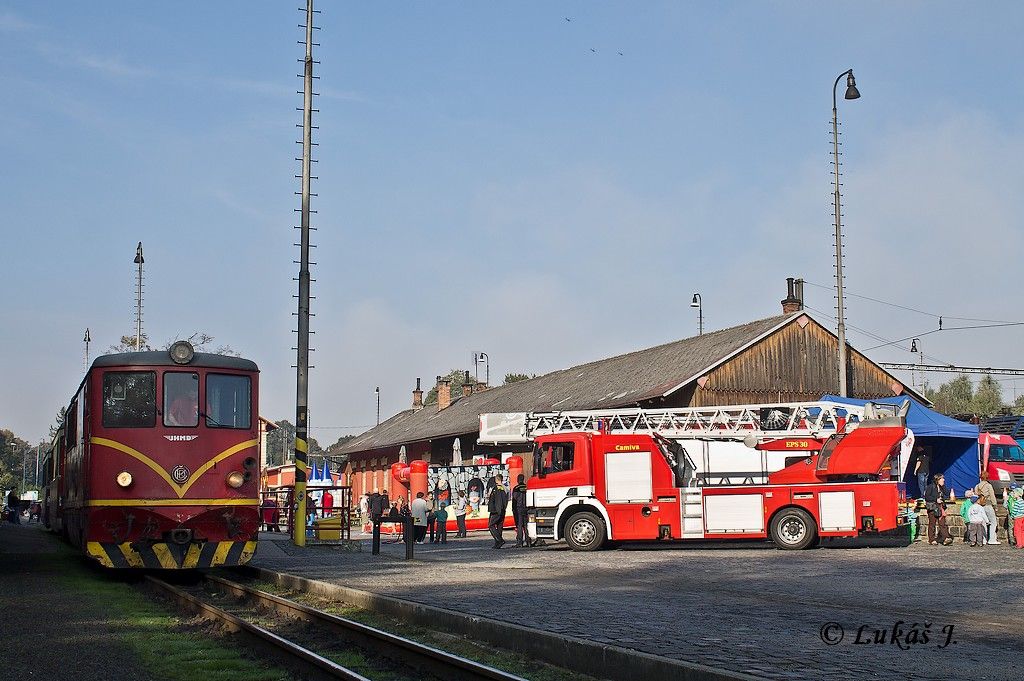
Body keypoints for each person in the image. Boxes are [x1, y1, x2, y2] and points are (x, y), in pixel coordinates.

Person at [924, 473, 953, 545]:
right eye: (942, 479)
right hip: (933, 507)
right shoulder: (931, 487)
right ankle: (932, 539)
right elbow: (927, 497)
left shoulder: (941, 487)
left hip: (940, 507)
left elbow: (947, 494)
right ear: (938, 479)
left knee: (942, 523)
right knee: (932, 524)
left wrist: (944, 487)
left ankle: (946, 538)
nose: (944, 480)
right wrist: (935, 499)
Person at [974, 472, 999, 545]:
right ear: (987, 477)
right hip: (988, 505)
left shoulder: (977, 486)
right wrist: (995, 506)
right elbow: (992, 496)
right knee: (993, 522)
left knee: (983, 523)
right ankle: (992, 539)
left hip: (980, 506)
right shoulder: (988, 486)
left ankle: (983, 540)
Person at [487, 474, 509, 549]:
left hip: (496, 510)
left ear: (496, 479)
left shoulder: (498, 488)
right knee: (499, 526)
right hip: (502, 509)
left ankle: (499, 540)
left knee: (491, 525)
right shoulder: (505, 488)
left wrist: (498, 510)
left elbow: (498, 500)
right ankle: (497, 544)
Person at [511, 474, 529, 548]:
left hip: (519, 508)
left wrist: (513, 509)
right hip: (527, 508)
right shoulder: (526, 487)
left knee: (519, 525)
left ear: (518, 480)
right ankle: (528, 541)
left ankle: (519, 542)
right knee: (526, 525)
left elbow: (514, 500)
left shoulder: (516, 488)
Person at [1009, 485, 1024, 549]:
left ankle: (1019, 544)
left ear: (1018, 494)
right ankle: (1022, 543)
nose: (1013, 494)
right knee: (1022, 530)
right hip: (1022, 517)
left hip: (1017, 518)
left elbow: (1014, 511)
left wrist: (1012, 516)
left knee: (1017, 531)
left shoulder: (1017, 502)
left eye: (1014, 493)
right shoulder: (1022, 501)